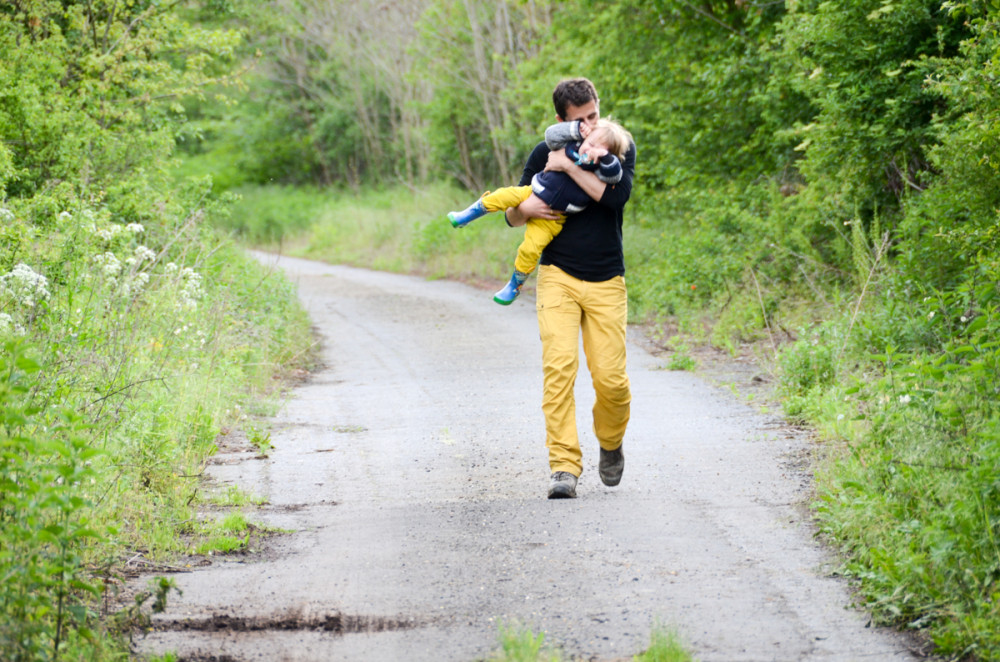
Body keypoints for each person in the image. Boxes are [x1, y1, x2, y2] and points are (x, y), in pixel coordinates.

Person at [506, 77, 635, 499]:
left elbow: (613, 199)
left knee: (612, 380)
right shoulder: (545, 151)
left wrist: (568, 167)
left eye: (594, 115)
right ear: (561, 120)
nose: (589, 126)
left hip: (606, 280)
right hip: (558, 275)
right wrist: (522, 209)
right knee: (559, 370)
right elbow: (514, 211)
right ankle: (564, 467)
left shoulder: (618, 145)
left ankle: (611, 441)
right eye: (580, 121)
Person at [447, 118, 633, 306]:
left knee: (530, 249)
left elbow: (614, 175)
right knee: (501, 196)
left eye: (599, 148)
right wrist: (576, 129)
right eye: (590, 143)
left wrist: (602, 156)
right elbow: (551, 136)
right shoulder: (570, 147)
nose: (589, 149)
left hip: (552, 218)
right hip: (531, 192)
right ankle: (467, 215)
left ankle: (515, 284)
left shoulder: (600, 170)